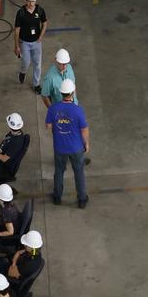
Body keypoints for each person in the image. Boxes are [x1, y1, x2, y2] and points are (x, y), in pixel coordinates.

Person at [44, 78, 90, 208]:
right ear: (73, 92)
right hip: (76, 148)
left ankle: (57, 197)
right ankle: (82, 200)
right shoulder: (77, 110)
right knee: (79, 172)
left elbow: (48, 126)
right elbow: (84, 129)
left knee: (59, 171)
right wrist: (86, 143)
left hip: (60, 147)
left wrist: (59, 130)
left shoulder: (53, 109)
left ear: (61, 93)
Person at [13, 0, 47, 86]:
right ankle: (23, 72)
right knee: (26, 63)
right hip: (24, 43)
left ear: (36, 0)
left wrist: (41, 37)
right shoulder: (21, 13)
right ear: (25, 0)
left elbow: (44, 23)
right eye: (28, 1)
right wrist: (17, 46)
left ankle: (36, 85)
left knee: (37, 65)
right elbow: (17, 30)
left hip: (37, 42)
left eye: (33, 1)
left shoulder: (40, 11)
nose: (31, 4)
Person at [0, 111, 30, 184]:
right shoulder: (14, 133)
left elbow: (4, 159)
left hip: (3, 166)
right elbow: (5, 141)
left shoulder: (17, 142)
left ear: (9, 125)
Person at [0, 182, 17, 247]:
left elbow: (10, 232)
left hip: (9, 230)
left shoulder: (6, 212)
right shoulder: (9, 204)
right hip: (7, 224)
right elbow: (6, 215)